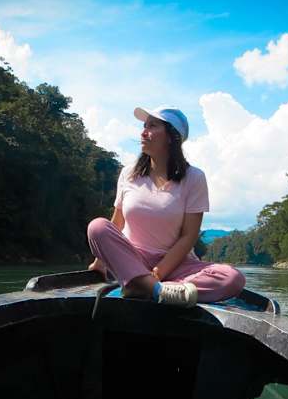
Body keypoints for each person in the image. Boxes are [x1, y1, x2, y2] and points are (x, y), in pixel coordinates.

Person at [86, 105, 246, 307]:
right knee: (97, 227)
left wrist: (157, 274)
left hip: (177, 264)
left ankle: (144, 286)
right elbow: (116, 222)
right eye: (144, 126)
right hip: (133, 260)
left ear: (172, 136)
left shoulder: (194, 178)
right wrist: (101, 260)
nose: (143, 132)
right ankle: (158, 290)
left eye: (152, 126)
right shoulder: (128, 173)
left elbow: (189, 236)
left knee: (232, 278)